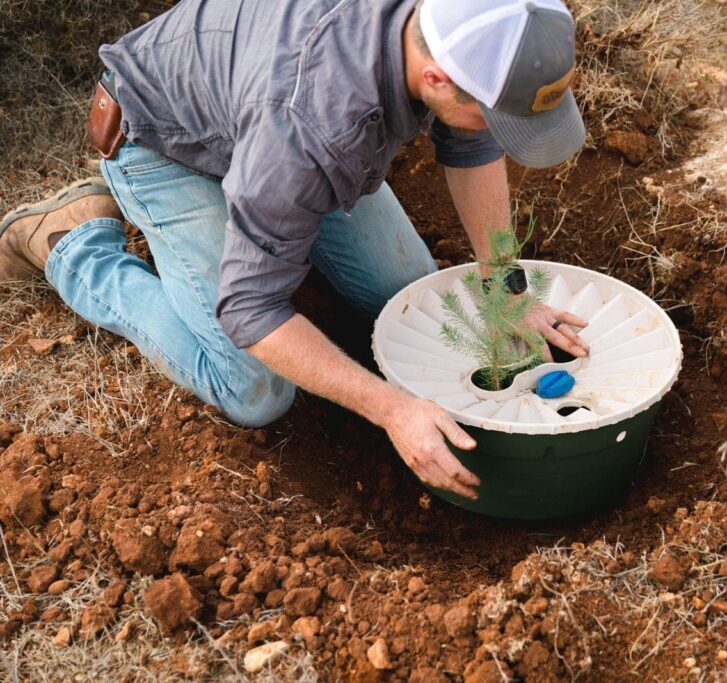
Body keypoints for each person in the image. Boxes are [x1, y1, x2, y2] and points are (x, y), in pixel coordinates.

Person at [0, 0, 592, 500]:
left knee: (406, 296)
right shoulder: (314, 126)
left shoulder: (453, 21)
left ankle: (269, 218)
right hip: (166, 142)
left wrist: (504, 286)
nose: (493, 129)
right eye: (491, 115)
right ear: (436, 76)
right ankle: (75, 247)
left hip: (257, 123)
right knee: (254, 389)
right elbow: (251, 311)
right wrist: (391, 409)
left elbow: (470, 144)